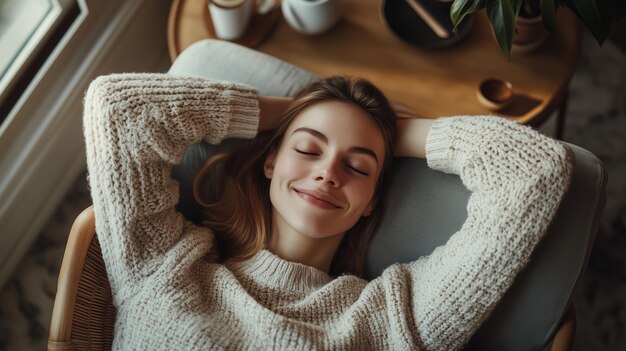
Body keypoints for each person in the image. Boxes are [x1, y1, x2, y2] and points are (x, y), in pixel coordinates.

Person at [83, 73, 572, 350]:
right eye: (309, 149)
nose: (327, 174)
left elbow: (535, 172)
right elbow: (120, 110)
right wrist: (293, 111)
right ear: (270, 163)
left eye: (357, 167)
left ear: (371, 202)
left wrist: (398, 133)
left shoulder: (393, 319)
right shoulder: (164, 265)